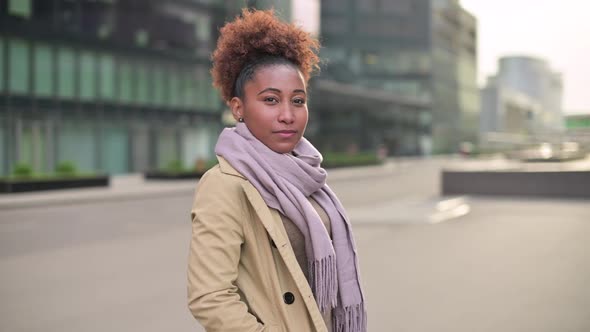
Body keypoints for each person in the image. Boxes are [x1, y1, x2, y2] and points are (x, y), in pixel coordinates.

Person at [187, 9, 366, 332]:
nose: (288, 115)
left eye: (297, 101)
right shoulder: (224, 186)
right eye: (271, 100)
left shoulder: (308, 176)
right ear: (238, 108)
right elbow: (210, 296)